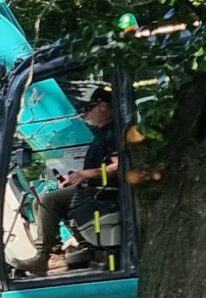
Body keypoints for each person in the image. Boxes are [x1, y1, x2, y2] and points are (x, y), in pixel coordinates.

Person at [12, 86, 123, 275]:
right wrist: (78, 179)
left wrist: (87, 175)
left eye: (88, 108)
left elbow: (119, 165)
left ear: (103, 106)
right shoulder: (103, 133)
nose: (83, 114)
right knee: (43, 203)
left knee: (49, 200)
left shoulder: (114, 133)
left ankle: (46, 257)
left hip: (106, 192)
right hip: (95, 188)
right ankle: (74, 249)